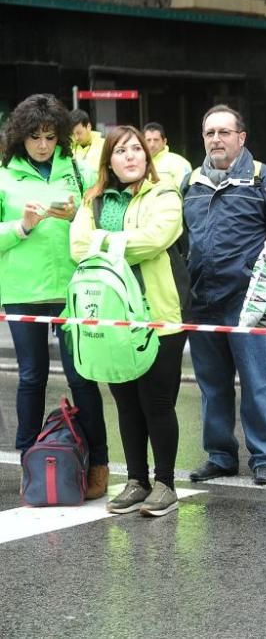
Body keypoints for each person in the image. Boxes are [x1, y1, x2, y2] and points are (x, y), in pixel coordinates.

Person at [69, 126, 188, 516]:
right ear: (109, 161)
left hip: (158, 315)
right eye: (121, 150)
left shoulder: (165, 193)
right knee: (124, 402)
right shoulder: (95, 199)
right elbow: (76, 247)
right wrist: (117, 243)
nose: (131, 156)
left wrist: (104, 244)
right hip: (109, 316)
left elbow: (156, 238)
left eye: (137, 149)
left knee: (157, 402)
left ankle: (165, 483)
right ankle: (137, 479)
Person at [0, 94, 108, 499]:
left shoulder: (76, 171)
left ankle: (99, 462)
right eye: (34, 137)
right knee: (31, 377)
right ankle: (29, 461)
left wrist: (78, 212)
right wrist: (22, 227)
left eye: (49, 136)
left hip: (72, 289)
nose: (43, 145)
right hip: (22, 290)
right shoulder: (3, 176)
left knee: (83, 376)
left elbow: (99, 219)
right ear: (19, 137)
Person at [182, 104, 266, 486]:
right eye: (210, 133)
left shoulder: (263, 178)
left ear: (241, 138)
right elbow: (181, 242)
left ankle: (265, 456)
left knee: (257, 380)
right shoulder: (190, 183)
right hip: (202, 301)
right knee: (212, 385)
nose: (216, 139)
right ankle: (221, 455)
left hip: (248, 304)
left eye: (224, 132)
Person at [143, 123, 193, 187]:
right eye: (148, 140)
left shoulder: (179, 162)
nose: (152, 144)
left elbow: (186, 191)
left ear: (164, 142)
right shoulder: (138, 163)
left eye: (156, 140)